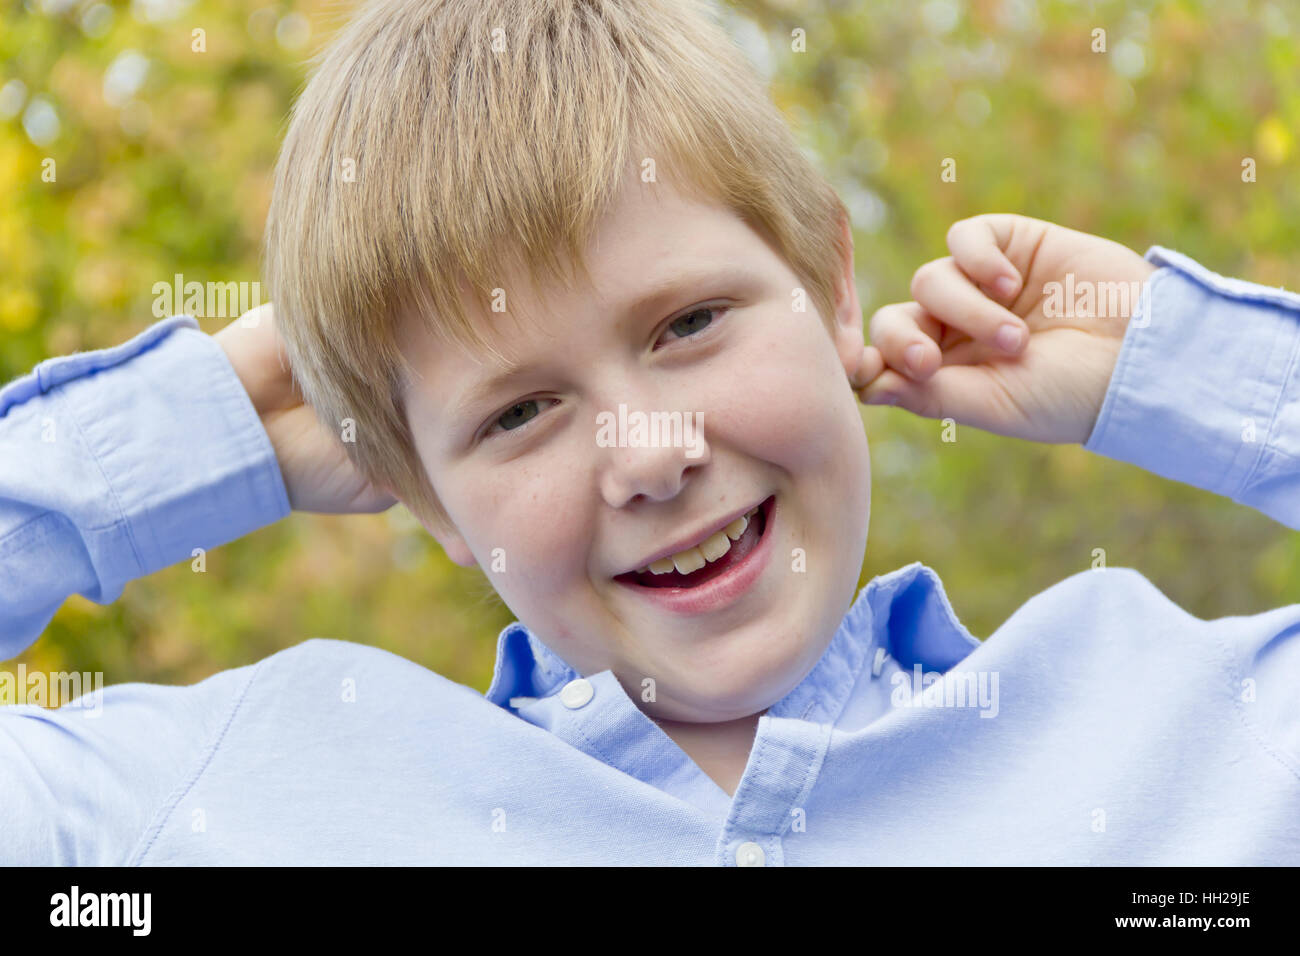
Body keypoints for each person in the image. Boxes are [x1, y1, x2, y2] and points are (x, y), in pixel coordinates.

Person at [2, 0, 1297, 865]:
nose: (650, 451)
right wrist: (177, 444)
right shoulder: (247, 801)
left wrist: (1192, 366)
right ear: (425, 496)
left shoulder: (1197, 733)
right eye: (516, 412)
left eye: (687, 325)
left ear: (833, 287)